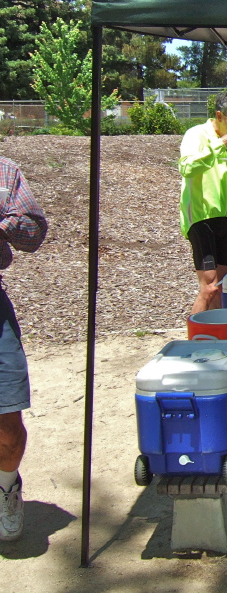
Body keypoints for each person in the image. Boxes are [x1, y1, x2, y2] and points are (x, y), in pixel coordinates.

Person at [0, 157, 48, 541]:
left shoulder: (4, 171)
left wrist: (4, 224)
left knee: (8, 426)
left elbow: (34, 234)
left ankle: (6, 489)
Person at [179, 91, 227, 315]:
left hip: (224, 217)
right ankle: (194, 334)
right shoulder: (196, 134)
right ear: (219, 115)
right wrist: (218, 146)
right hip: (201, 217)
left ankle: (215, 331)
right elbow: (186, 168)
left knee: (220, 285)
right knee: (208, 287)